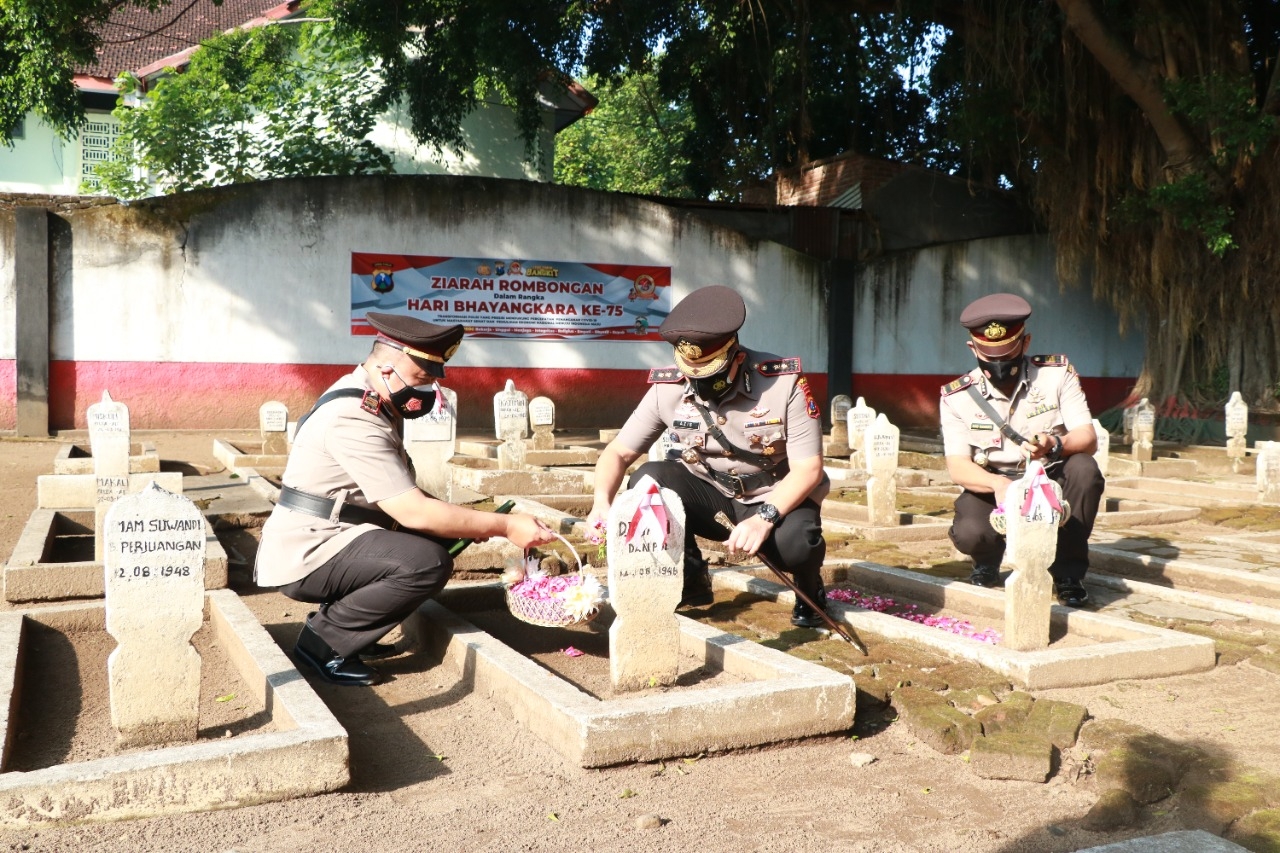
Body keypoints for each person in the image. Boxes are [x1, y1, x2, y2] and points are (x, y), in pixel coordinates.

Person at [255, 312, 557, 686]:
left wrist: (471, 522)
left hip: (334, 533)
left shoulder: (375, 400)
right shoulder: (354, 416)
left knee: (441, 537)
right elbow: (411, 510)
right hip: (309, 550)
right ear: (386, 369)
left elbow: (400, 490)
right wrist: (505, 525)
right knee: (425, 562)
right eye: (421, 379)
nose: (427, 392)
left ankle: (352, 628)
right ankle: (324, 644)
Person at [587, 285, 831, 627]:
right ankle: (691, 576)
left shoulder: (782, 384)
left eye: (710, 372)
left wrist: (764, 518)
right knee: (647, 480)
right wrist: (602, 501)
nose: (697, 381)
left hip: (774, 494)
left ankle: (809, 590)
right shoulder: (667, 388)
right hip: (711, 495)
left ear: (737, 357)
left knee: (797, 544)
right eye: (691, 371)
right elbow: (618, 451)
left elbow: (809, 469)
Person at [939, 292, 1104, 607]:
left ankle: (1068, 572)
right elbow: (957, 466)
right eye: (989, 354)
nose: (999, 363)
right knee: (970, 532)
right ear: (972, 348)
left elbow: (1087, 436)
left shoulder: (1057, 374)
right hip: (996, 481)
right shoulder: (957, 396)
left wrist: (1055, 444)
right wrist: (998, 485)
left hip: (1050, 473)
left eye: (1007, 352)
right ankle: (986, 560)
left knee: (1084, 469)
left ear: (1025, 343)